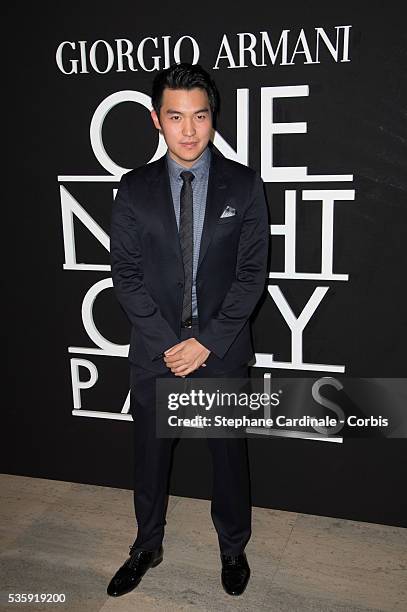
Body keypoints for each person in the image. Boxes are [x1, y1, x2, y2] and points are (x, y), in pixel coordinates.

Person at [107, 62, 269, 598]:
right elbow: (126, 278)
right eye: (176, 117)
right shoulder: (132, 190)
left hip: (219, 351)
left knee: (228, 458)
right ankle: (146, 545)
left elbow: (251, 276)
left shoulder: (244, 185)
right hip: (157, 351)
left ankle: (233, 549)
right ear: (157, 120)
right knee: (150, 460)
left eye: (199, 115)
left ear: (212, 117)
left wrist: (206, 343)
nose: (190, 129)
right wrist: (171, 345)